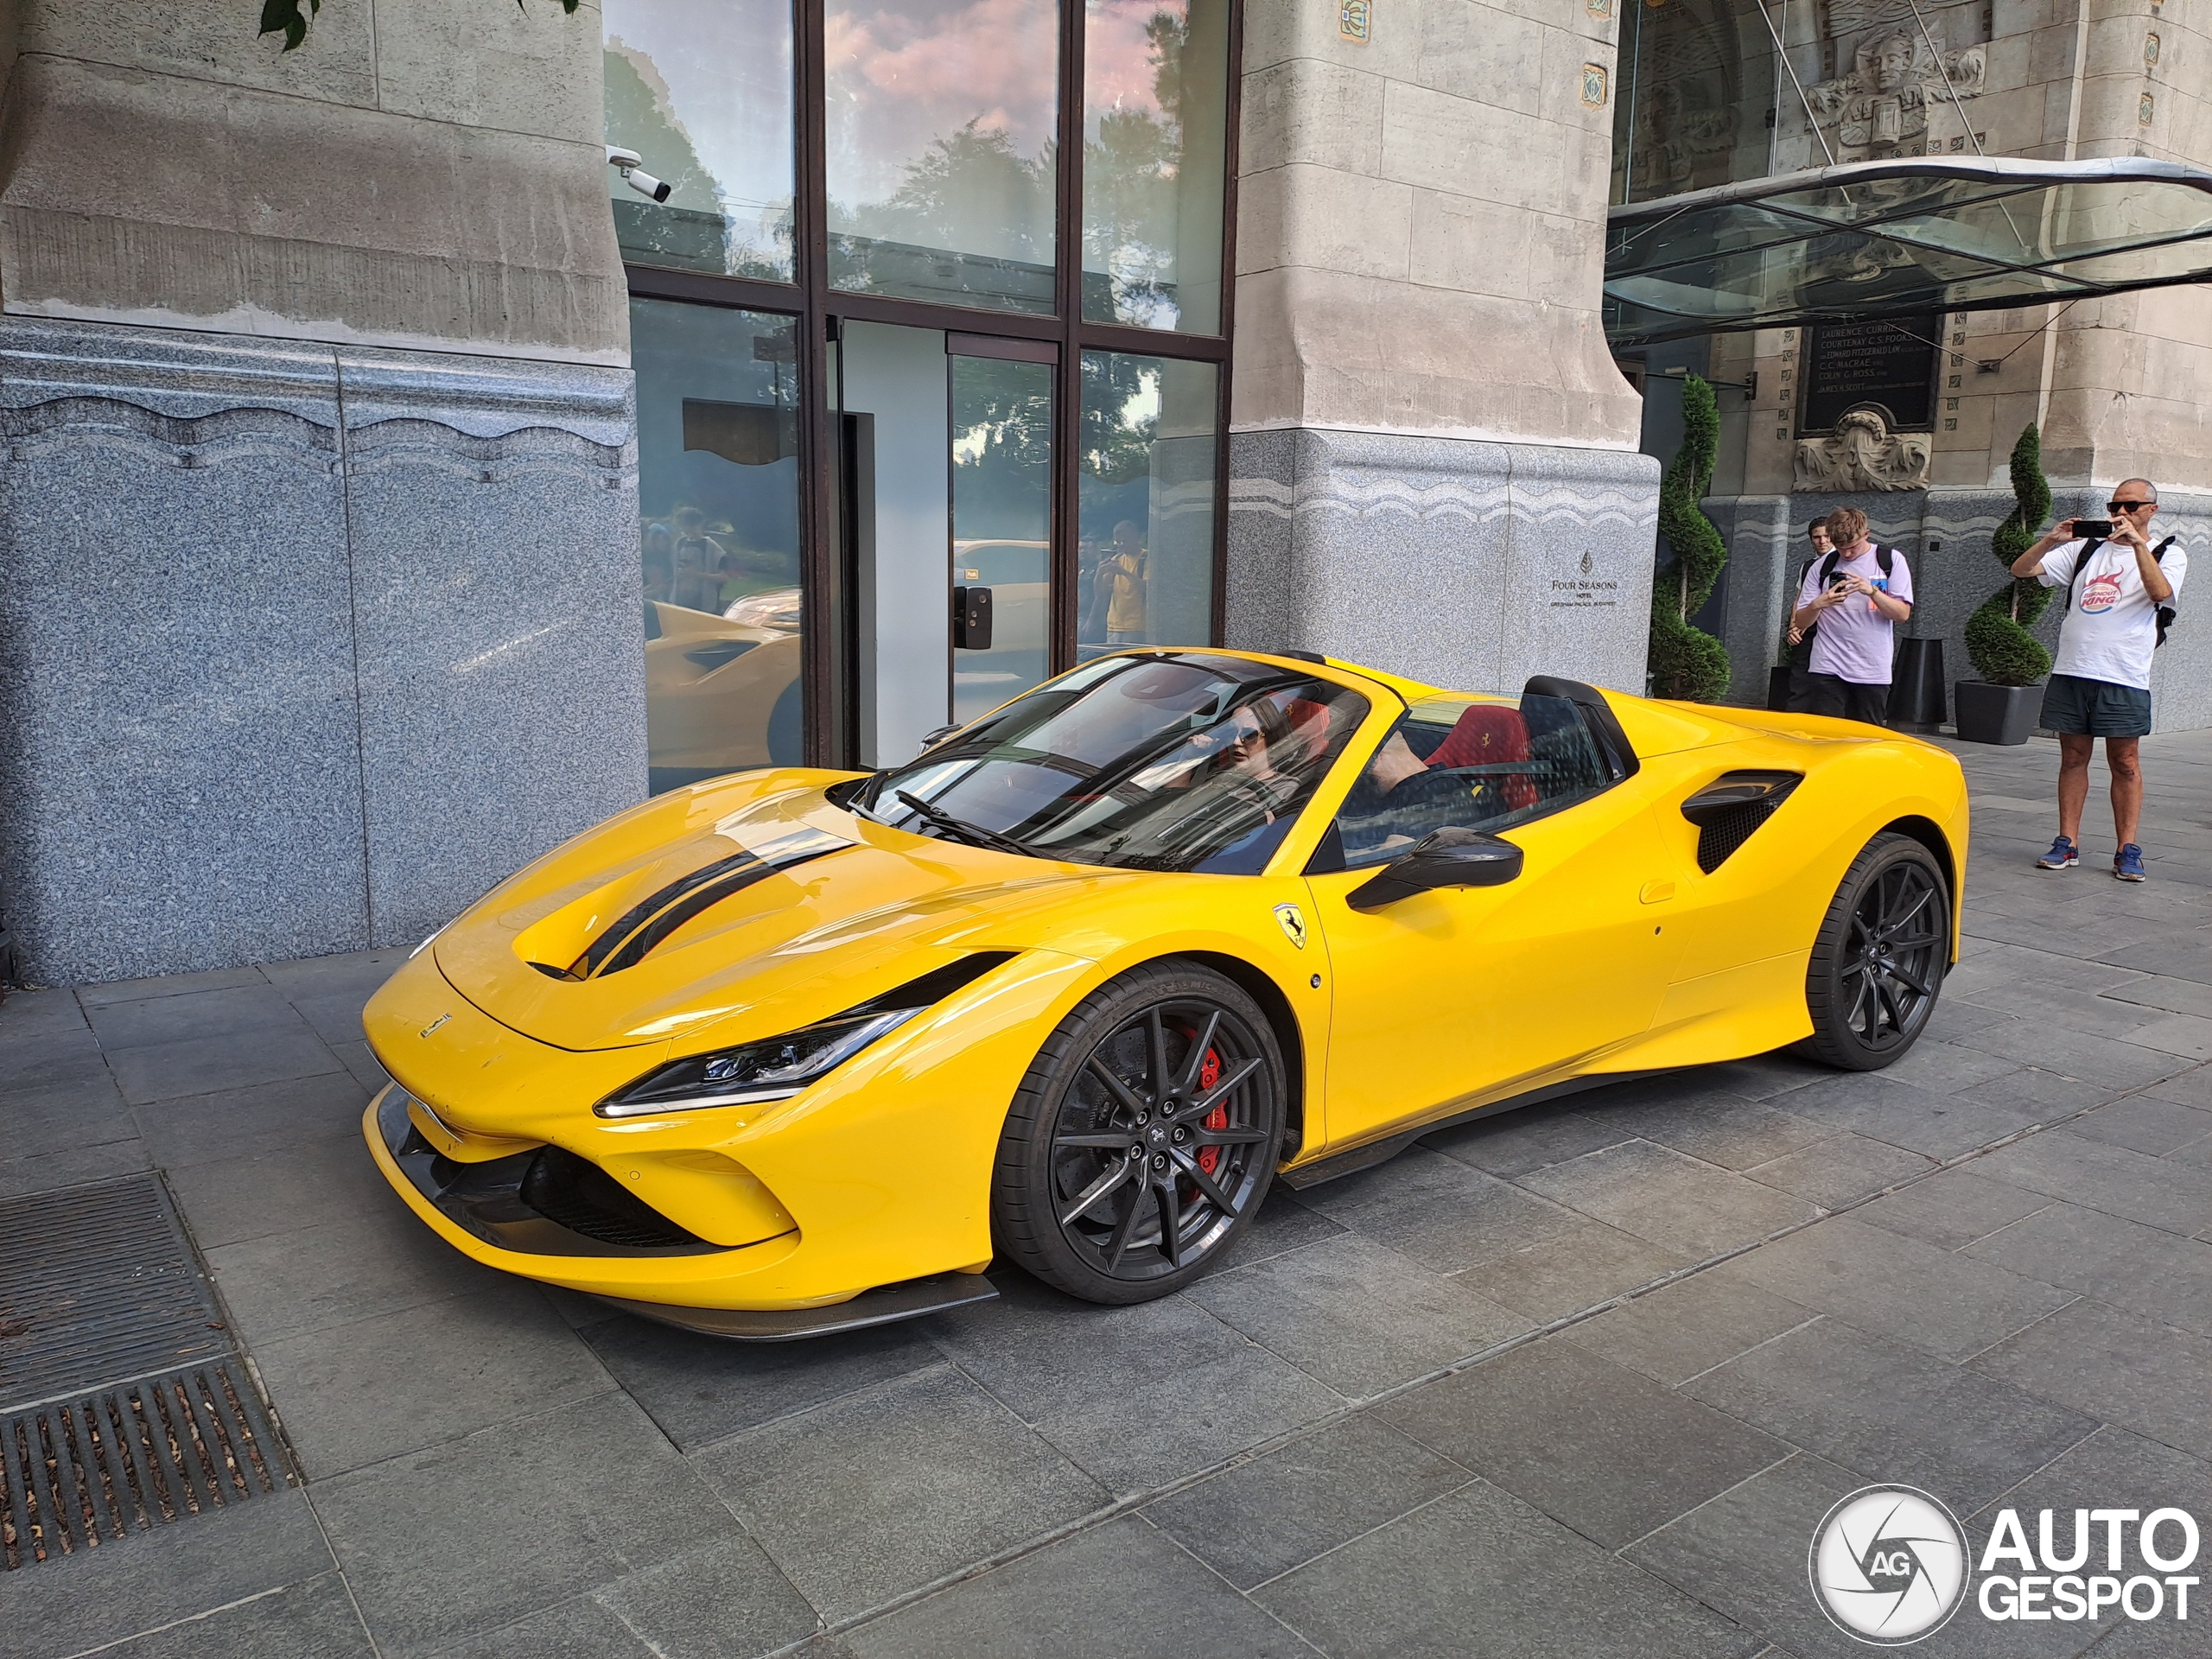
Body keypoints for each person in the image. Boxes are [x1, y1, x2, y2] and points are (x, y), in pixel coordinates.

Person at [2009, 479, 2186, 880]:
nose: (2120, 513)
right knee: (2072, 758)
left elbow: (2160, 592)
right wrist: (2051, 540)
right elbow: (2022, 570)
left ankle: (2127, 848)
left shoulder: (2167, 553)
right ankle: (2066, 841)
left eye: (2131, 506)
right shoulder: (2085, 549)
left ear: (2151, 510)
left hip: (2123, 674)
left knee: (2124, 762)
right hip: (2073, 669)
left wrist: (2139, 545)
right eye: (2115, 505)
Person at [1787, 505, 1912, 725]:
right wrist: (1818, 603)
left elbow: (1902, 614)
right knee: (1826, 735)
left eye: (1852, 547)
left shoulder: (1889, 560)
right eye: (1840, 547)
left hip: (1871, 669)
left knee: (1865, 739)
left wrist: (1872, 591)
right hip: (1827, 666)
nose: (1846, 554)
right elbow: (1802, 621)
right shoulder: (1821, 566)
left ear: (1866, 534)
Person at [1096, 521, 1149, 645]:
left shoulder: (1145, 558)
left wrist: (1124, 572)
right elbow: (1102, 592)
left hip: (1136, 626)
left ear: (1136, 537)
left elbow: (1147, 588)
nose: (1121, 545)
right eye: (1117, 542)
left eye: (1124, 541)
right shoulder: (1117, 559)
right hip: (1113, 625)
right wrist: (1099, 573)